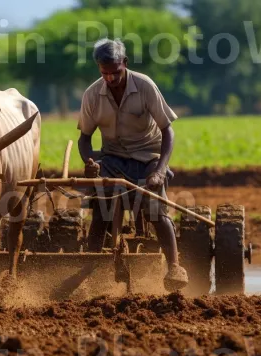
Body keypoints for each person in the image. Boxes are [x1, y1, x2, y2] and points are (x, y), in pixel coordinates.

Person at [77, 38, 188, 291]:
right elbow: (84, 138)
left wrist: (160, 171)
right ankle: (91, 270)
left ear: (125, 64)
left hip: (147, 156)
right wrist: (90, 161)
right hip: (112, 158)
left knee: (154, 208)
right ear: (99, 69)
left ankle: (174, 266)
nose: (110, 79)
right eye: (104, 73)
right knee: (100, 209)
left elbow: (168, 131)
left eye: (115, 72)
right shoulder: (92, 94)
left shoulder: (145, 85)